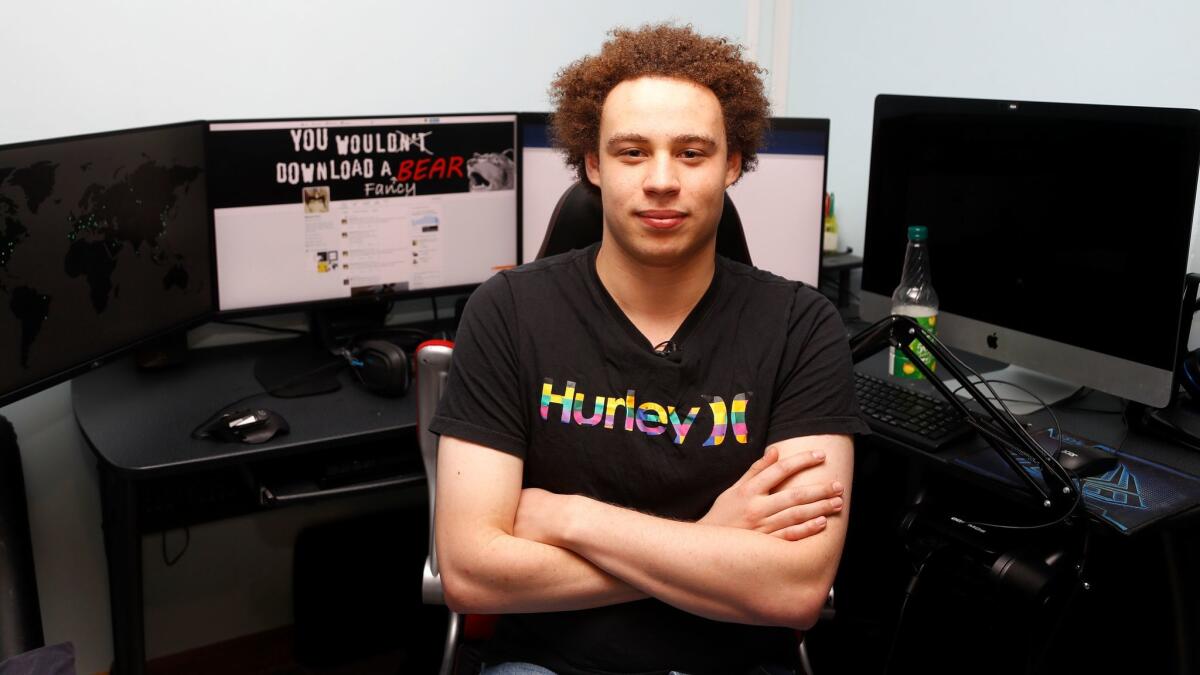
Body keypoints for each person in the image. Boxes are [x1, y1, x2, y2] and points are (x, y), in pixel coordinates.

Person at [428, 23, 869, 675]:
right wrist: (711, 546)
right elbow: (470, 572)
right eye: (632, 152)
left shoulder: (802, 327)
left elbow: (794, 591)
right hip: (552, 661)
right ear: (593, 164)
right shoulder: (509, 312)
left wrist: (569, 517)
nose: (661, 180)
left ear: (733, 163)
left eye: (692, 153)